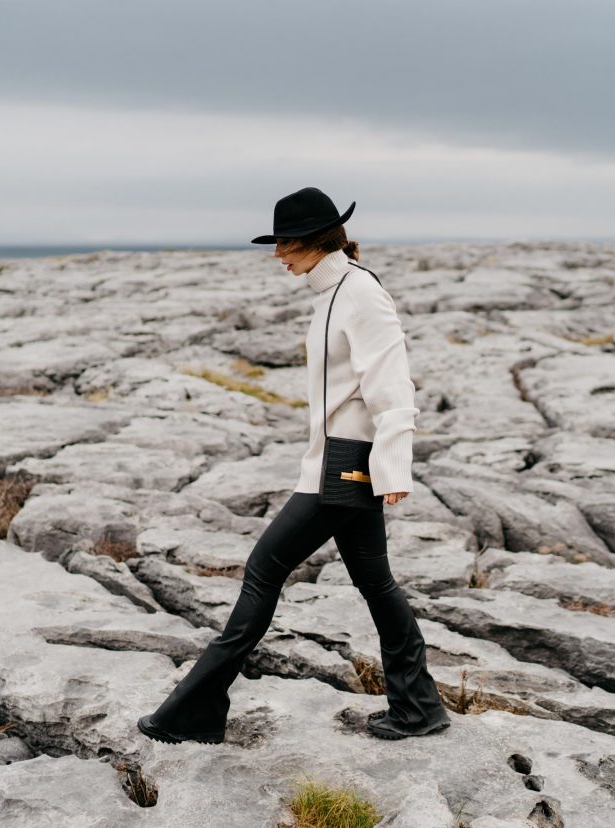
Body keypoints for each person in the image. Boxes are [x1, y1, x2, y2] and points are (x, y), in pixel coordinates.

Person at [138, 186, 451, 744]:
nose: (277, 253)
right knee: (377, 584)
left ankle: (194, 710)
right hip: (334, 463)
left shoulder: (360, 293)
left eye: (284, 242)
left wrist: (395, 465)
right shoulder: (330, 292)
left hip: (345, 469)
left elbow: (392, 382)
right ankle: (419, 708)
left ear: (313, 241)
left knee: (262, 571)